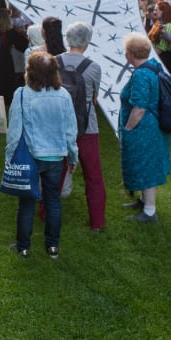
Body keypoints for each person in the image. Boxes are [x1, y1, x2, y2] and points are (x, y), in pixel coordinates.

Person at [6, 52, 78, 258]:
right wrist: (73, 157)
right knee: (53, 200)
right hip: (55, 157)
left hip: (31, 155)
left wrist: (9, 158)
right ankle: (52, 246)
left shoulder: (22, 94)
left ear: (30, 72)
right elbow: (70, 132)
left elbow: (14, 131)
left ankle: (24, 247)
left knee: (27, 203)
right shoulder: (63, 95)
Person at [59, 21, 106, 231]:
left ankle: (45, 212)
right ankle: (97, 221)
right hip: (87, 125)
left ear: (67, 39)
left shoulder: (53, 62)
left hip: (58, 125)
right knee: (93, 175)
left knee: (54, 171)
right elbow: (94, 97)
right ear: (87, 42)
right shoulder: (93, 68)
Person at [119, 33, 170, 222]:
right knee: (145, 163)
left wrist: (129, 129)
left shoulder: (141, 74)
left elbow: (139, 108)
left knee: (146, 166)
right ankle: (143, 200)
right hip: (152, 125)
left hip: (143, 127)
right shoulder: (153, 67)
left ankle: (149, 211)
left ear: (130, 54)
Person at [0, 7, 29, 110]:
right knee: (7, 81)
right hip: (6, 61)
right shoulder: (11, 32)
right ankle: (7, 100)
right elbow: (24, 45)